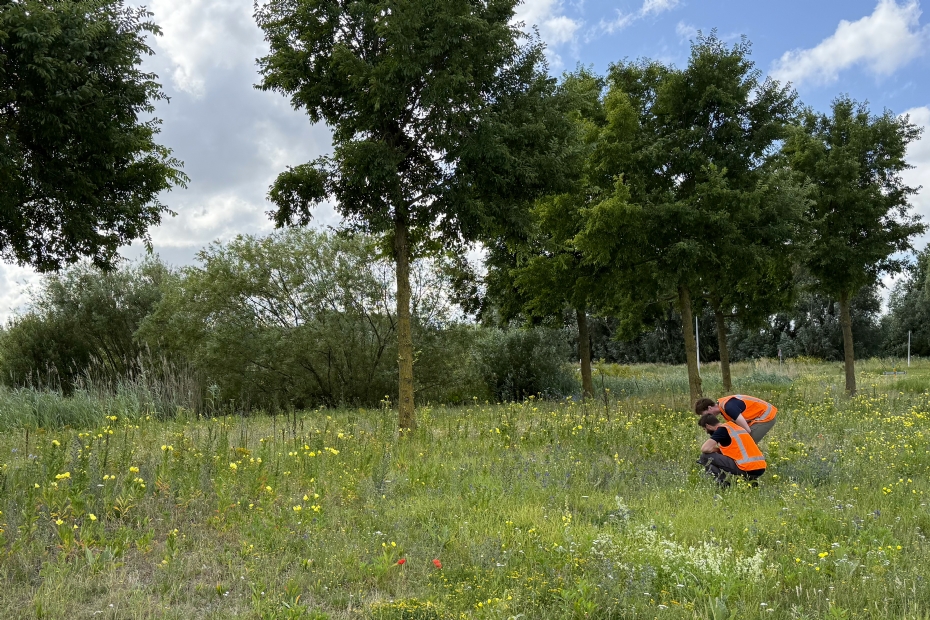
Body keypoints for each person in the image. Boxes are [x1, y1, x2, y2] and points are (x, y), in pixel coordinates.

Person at [697, 413, 766, 487]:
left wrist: (716, 450)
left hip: (746, 468)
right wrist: (719, 450)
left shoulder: (722, 430)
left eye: (705, 429)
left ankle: (722, 484)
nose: (706, 432)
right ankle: (751, 481)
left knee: (705, 457)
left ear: (708, 426)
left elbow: (705, 448)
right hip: (760, 467)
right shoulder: (734, 427)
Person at [694, 394, 777, 444]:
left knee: (747, 442)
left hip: (766, 416)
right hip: (759, 416)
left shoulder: (728, 408)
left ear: (709, 408)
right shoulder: (723, 408)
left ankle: (753, 464)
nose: (705, 417)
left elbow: (747, 430)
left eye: (704, 414)